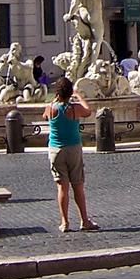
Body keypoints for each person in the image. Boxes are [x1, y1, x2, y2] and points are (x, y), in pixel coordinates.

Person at [43, 77, 98, 232]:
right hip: (73, 148)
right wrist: (79, 95)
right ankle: (84, 221)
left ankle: (65, 222)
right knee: (78, 185)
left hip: (56, 150)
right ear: (70, 92)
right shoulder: (75, 109)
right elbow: (88, 110)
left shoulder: (50, 108)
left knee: (62, 187)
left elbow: (44, 116)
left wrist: (55, 100)